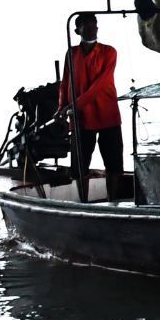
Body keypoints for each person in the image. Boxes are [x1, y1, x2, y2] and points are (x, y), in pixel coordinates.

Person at [60, 11, 124, 200]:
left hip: (107, 115)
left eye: (94, 24)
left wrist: (73, 105)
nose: (92, 28)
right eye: (86, 25)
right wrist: (61, 107)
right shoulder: (71, 53)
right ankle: (83, 203)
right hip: (81, 119)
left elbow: (101, 84)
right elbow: (65, 82)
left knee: (113, 164)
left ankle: (114, 202)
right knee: (80, 166)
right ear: (77, 30)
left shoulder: (109, 51)